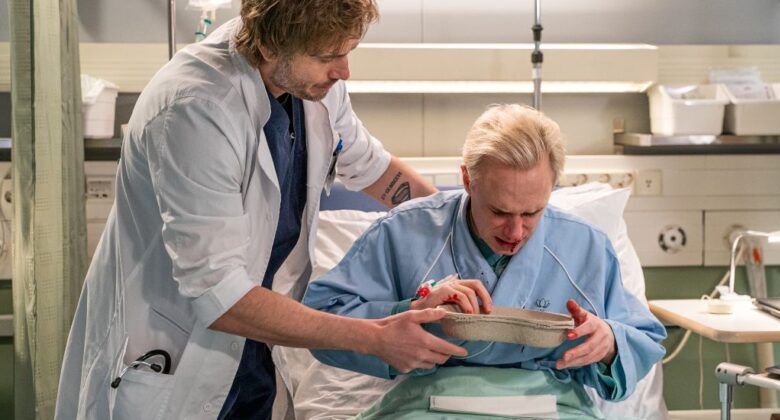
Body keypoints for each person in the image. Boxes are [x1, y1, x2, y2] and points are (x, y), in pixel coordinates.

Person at [55, 1, 469, 418]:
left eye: (348, 51)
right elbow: (220, 294)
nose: (343, 71)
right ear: (270, 45)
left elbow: (374, 169)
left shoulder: (311, 85)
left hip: (257, 355)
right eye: (327, 57)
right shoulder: (196, 109)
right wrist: (375, 337)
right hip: (178, 355)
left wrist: (463, 224)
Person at [303, 104, 667, 419]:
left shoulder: (584, 246)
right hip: (426, 405)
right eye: (499, 211)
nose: (516, 231)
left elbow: (641, 337)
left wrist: (609, 343)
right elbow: (321, 320)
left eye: (532, 212)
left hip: (553, 406)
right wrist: (409, 312)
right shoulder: (404, 233)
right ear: (467, 179)